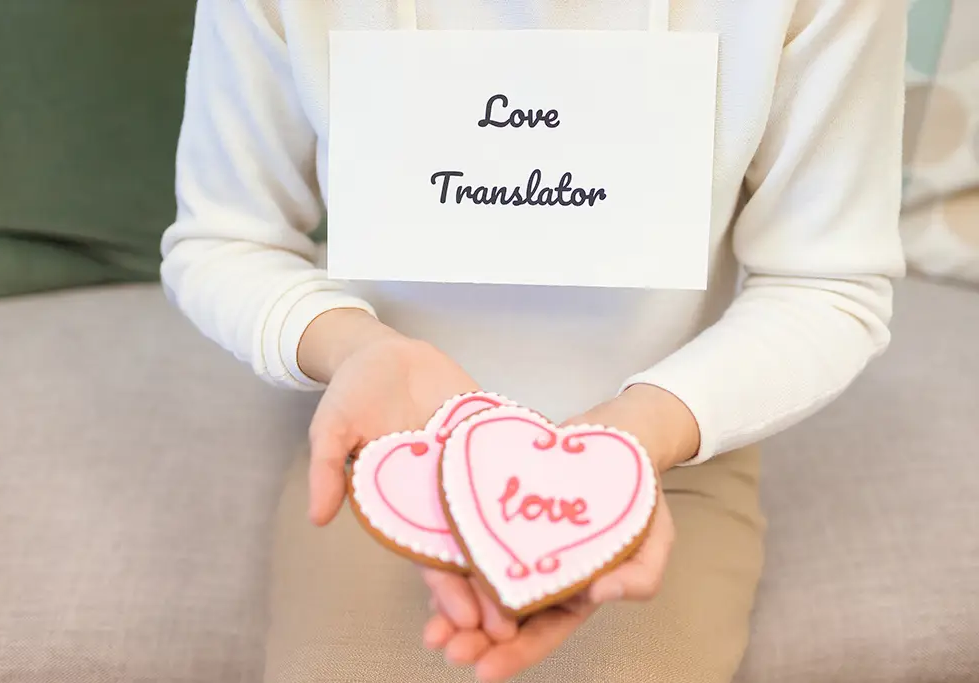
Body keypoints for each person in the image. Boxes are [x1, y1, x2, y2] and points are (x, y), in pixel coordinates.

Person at [161, 1, 906, 681]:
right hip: (392, 445)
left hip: (661, 454)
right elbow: (224, 237)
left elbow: (829, 282)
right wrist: (354, 348)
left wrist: (646, 428)